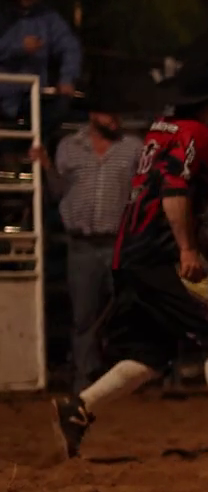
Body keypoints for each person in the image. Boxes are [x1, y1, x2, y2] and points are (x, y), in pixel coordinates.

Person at [51, 61, 208, 461]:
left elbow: (162, 197)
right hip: (159, 257)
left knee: (149, 353)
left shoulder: (160, 131)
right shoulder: (198, 136)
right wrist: (190, 250)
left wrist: (202, 245)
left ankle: (79, 407)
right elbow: (175, 192)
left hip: (130, 255)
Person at [30, 97, 144, 392]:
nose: (115, 119)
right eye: (109, 113)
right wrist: (45, 166)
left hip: (119, 243)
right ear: (94, 115)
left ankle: (120, 375)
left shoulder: (133, 148)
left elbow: (143, 192)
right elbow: (58, 191)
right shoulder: (69, 147)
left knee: (126, 310)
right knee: (84, 315)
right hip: (82, 244)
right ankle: (86, 378)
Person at [0, 0, 81, 126]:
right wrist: (18, 47)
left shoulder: (47, 18)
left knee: (62, 108)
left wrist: (67, 78)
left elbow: (70, 47)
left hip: (33, 96)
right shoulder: (3, 16)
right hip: (3, 93)